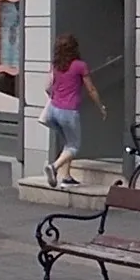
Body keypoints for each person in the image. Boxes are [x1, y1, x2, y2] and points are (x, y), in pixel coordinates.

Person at [44, 34, 105, 190]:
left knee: (67, 143)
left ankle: (66, 177)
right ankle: (54, 167)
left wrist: (55, 96)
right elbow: (90, 89)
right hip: (69, 112)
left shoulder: (56, 65)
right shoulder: (79, 66)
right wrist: (100, 106)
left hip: (53, 110)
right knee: (74, 147)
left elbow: (47, 86)